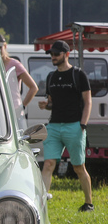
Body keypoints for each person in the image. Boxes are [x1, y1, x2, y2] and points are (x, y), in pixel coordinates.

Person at [37, 40, 94, 211]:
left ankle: (88, 203)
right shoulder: (51, 77)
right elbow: (52, 103)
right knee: (48, 164)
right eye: (51, 54)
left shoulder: (78, 75)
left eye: (56, 54)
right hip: (54, 126)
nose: (53, 57)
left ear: (66, 54)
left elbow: (88, 101)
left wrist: (82, 125)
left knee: (78, 167)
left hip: (74, 126)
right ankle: (41, 205)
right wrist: (45, 105)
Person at [0, 33, 37, 120]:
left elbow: (33, 87)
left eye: (0, 47)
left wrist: (21, 107)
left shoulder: (14, 64)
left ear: (5, 46)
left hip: (14, 111)